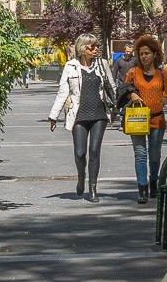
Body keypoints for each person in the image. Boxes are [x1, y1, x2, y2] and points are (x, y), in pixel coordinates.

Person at [49, 33, 118, 203]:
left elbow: (111, 86)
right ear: (82, 48)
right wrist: (53, 116)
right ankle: (81, 176)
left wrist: (116, 108)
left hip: (99, 114)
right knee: (80, 153)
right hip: (78, 115)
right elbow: (63, 92)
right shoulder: (70, 66)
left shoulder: (102, 64)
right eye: (91, 46)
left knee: (94, 151)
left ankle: (92, 188)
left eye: (96, 46)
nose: (95, 49)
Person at [124, 35, 167, 204]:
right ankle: (142, 189)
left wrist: (166, 99)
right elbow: (124, 90)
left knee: (154, 154)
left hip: (157, 119)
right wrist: (131, 94)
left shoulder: (162, 73)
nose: (144, 56)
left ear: (155, 54)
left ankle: (154, 182)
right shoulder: (133, 73)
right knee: (140, 154)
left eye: (147, 53)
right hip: (137, 119)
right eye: (141, 54)